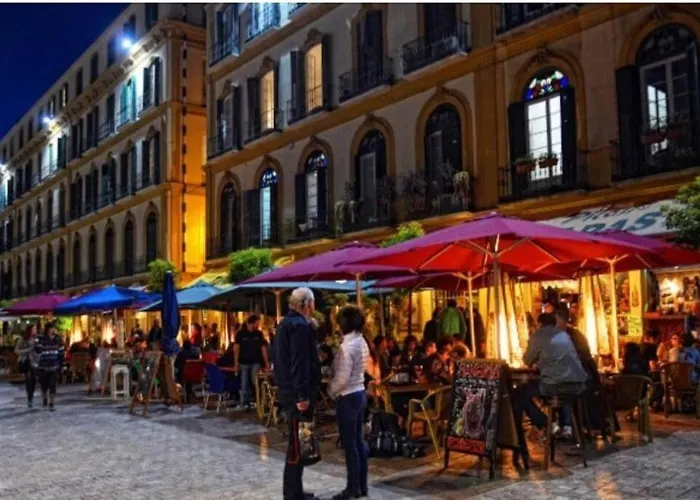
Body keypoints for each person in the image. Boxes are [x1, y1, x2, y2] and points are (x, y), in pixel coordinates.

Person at [273, 288, 321, 500]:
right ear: (307, 304)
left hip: (288, 390)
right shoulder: (298, 327)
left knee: (299, 441)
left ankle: (295, 489)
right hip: (296, 393)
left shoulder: (286, 324)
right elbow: (299, 363)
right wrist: (302, 395)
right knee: (296, 442)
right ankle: (292, 493)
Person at [515, 313, 588, 438]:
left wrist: (537, 363)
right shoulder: (564, 335)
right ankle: (567, 426)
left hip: (553, 385)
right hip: (575, 385)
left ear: (539, 324)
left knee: (520, 393)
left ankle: (548, 425)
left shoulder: (538, 335)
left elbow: (527, 359)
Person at [329, 305, 370, 499]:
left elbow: (342, 378)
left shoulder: (347, 347)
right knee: (358, 441)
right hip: (360, 392)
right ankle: (362, 484)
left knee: (350, 444)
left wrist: (331, 390)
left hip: (348, 396)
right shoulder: (361, 341)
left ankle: (352, 487)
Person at [234, 315, 269, 410]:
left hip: (256, 362)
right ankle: (245, 403)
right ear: (251, 323)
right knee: (244, 382)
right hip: (243, 362)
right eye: (257, 323)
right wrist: (236, 362)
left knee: (256, 381)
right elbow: (237, 348)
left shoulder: (259, 334)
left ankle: (258, 400)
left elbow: (263, 348)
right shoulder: (240, 334)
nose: (258, 325)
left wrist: (266, 363)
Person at [34, 322, 65, 411]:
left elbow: (61, 352)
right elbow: (37, 350)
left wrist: (60, 364)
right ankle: (44, 397)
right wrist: (38, 342)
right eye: (51, 328)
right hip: (43, 366)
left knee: (53, 385)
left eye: (54, 328)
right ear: (47, 329)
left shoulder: (58, 339)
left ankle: (51, 403)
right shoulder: (41, 338)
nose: (53, 330)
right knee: (44, 385)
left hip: (54, 366)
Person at [15, 324, 38, 408]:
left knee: (34, 380)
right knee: (29, 381)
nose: (35, 330)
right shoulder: (23, 339)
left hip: (34, 362)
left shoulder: (37, 339)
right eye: (34, 329)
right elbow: (16, 350)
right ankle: (30, 399)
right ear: (29, 330)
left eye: (36, 329)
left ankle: (31, 397)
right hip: (26, 362)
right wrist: (27, 350)